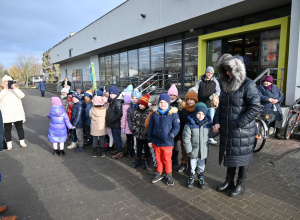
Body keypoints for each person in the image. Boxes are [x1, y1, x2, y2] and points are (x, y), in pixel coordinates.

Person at [213, 54, 260, 197]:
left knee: (243, 157)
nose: (227, 73)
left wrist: (240, 123)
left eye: (230, 70)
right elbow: (221, 105)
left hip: (242, 130)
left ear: (238, 69)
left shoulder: (249, 84)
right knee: (230, 155)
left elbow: (255, 107)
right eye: (225, 70)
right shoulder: (226, 84)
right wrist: (216, 121)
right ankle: (229, 181)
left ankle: (241, 184)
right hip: (228, 129)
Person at [148, 93, 180, 186]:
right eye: (161, 102)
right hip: (156, 142)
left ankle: (169, 174)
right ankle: (159, 172)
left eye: (165, 102)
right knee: (158, 159)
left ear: (168, 103)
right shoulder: (154, 114)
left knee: (167, 159)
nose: (163, 104)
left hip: (167, 142)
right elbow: (150, 127)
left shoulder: (173, 114)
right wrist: (150, 140)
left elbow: (177, 127)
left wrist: (171, 135)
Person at [182, 102, 214, 189]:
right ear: (195, 113)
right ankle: (191, 176)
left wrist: (217, 130)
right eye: (198, 113)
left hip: (203, 150)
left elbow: (211, 135)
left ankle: (200, 176)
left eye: (203, 114)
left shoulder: (208, 125)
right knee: (192, 164)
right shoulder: (189, 125)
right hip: (193, 150)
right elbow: (186, 138)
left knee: (202, 164)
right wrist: (189, 149)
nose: (200, 115)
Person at [190, 66, 221, 145]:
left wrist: (214, 96)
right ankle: (200, 136)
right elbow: (195, 89)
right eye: (208, 72)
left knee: (210, 120)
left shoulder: (215, 81)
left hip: (210, 105)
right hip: (201, 104)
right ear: (205, 72)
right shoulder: (200, 80)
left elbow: (218, 90)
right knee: (200, 119)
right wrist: (192, 93)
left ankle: (210, 137)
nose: (209, 74)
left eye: (211, 73)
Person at [0, 75, 27, 150]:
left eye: (8, 81)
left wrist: (14, 88)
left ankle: (22, 142)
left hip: (17, 113)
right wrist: (6, 90)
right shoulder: (2, 91)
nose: (7, 82)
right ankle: (9, 144)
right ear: (3, 82)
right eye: (5, 81)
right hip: (6, 114)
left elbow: (22, 96)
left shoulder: (15, 90)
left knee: (20, 128)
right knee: (7, 129)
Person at [177, 91, 198, 173]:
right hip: (184, 135)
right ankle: (183, 163)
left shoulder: (197, 110)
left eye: (191, 100)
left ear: (195, 101)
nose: (189, 101)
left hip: (194, 135)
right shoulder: (183, 110)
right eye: (188, 99)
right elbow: (180, 122)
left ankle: (193, 166)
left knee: (194, 151)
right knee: (184, 150)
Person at [132, 94, 151, 169]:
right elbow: (133, 121)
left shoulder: (148, 113)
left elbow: (150, 124)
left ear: (145, 105)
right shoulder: (136, 112)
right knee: (138, 148)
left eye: (142, 104)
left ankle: (146, 159)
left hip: (145, 135)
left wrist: (148, 132)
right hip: (138, 134)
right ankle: (137, 159)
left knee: (146, 148)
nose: (140, 106)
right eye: (139, 104)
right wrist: (134, 129)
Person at [106, 86, 123, 159]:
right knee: (115, 138)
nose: (111, 95)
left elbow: (119, 114)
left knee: (117, 138)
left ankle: (120, 151)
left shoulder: (117, 102)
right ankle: (117, 149)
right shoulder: (111, 102)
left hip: (116, 124)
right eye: (110, 94)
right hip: (113, 124)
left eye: (113, 94)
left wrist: (112, 120)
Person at [167, 84, 182, 165]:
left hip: (175, 127)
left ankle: (175, 158)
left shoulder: (179, 104)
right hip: (167, 127)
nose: (172, 97)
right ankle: (169, 157)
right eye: (170, 95)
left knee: (175, 143)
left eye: (174, 95)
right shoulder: (166, 103)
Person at [127, 89, 142, 156]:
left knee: (138, 142)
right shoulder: (129, 108)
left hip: (140, 129)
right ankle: (131, 152)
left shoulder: (140, 107)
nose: (134, 100)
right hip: (132, 128)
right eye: (133, 98)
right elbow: (129, 119)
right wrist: (131, 127)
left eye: (136, 98)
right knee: (131, 140)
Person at [121, 85, 134, 157]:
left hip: (127, 126)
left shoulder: (124, 106)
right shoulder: (133, 106)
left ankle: (129, 152)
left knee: (128, 140)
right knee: (132, 139)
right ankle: (132, 151)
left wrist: (122, 126)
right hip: (133, 126)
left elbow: (123, 118)